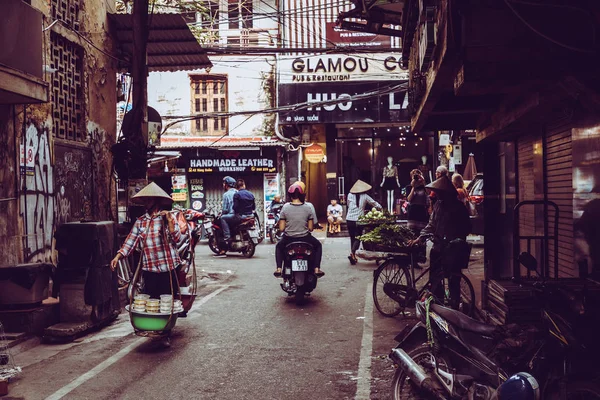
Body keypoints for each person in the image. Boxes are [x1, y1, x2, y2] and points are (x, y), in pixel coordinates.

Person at [110, 182, 181, 299]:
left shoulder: (168, 217)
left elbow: (176, 238)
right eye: (145, 201)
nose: (146, 204)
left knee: (168, 304)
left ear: (156, 201)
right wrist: (118, 257)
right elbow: (130, 242)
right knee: (152, 303)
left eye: (149, 200)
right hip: (149, 269)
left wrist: (169, 222)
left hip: (168, 268)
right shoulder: (141, 222)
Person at [408, 176, 471, 307]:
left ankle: (454, 305)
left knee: (454, 279)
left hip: (453, 249)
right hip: (438, 247)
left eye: (440, 192)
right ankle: (437, 303)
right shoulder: (438, 205)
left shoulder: (459, 208)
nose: (437, 194)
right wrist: (420, 238)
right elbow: (431, 224)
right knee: (435, 278)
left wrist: (455, 237)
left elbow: (467, 227)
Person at [273, 183, 324, 277]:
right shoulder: (308, 208)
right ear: (302, 195)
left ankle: (279, 269)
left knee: (279, 247)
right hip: (305, 238)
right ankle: (317, 269)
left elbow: (282, 228)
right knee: (318, 246)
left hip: (288, 238)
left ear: (290, 195)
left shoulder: (285, 207)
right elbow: (310, 228)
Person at [345, 180, 382, 265]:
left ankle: (353, 255)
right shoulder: (365, 196)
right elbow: (375, 204)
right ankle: (353, 253)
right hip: (359, 220)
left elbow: (348, 205)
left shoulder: (350, 195)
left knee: (352, 238)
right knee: (358, 237)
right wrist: (380, 208)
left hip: (349, 219)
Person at [218, 176, 238, 255]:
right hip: (240, 216)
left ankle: (227, 238)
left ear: (226, 184)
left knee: (222, 219)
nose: (223, 185)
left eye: (224, 183)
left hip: (232, 216)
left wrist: (221, 214)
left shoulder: (226, 194)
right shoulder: (237, 192)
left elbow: (225, 209)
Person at [406, 169, 429, 233]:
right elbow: (409, 199)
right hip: (412, 212)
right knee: (412, 233)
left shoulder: (424, 187)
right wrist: (413, 187)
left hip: (422, 212)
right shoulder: (409, 187)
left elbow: (429, 194)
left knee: (422, 233)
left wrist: (423, 181)